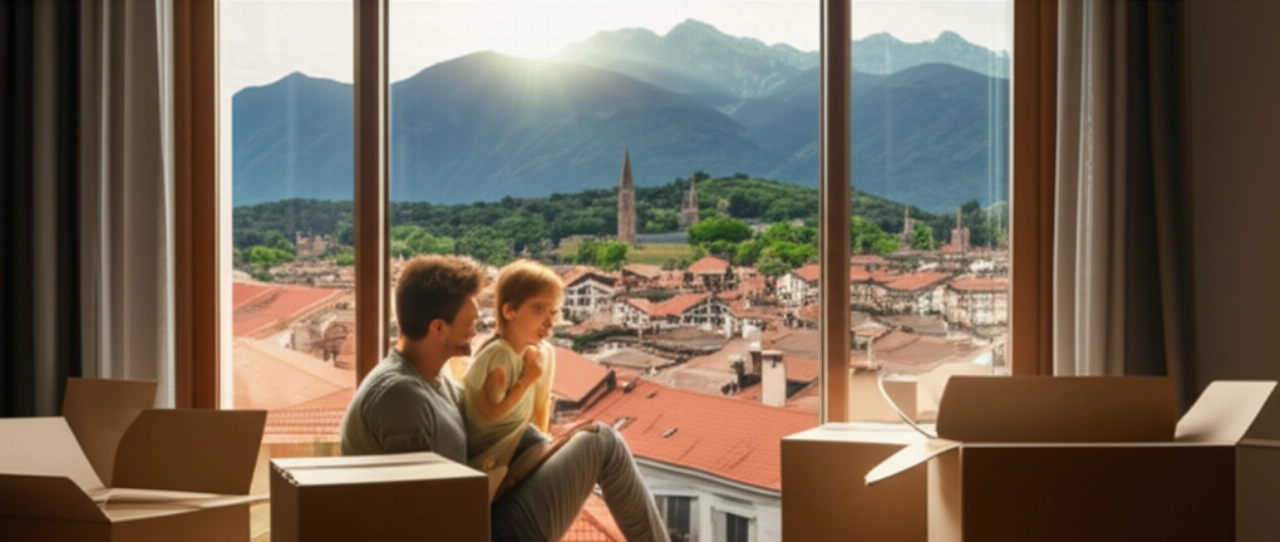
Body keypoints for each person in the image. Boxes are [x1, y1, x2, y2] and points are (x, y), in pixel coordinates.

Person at [339, 255, 669, 542]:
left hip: (481, 515)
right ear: (438, 328)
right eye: (469, 324)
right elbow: (422, 521)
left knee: (593, 439)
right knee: (605, 444)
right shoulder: (401, 397)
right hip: (479, 532)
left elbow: (489, 433)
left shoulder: (432, 376)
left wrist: (552, 447)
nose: (477, 329)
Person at [462, 260, 561, 473]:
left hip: (524, 456)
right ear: (509, 311)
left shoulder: (545, 353)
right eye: (539, 309)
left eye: (553, 312)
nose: (549, 321)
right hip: (491, 463)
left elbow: (541, 408)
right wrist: (527, 380)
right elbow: (489, 415)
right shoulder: (498, 355)